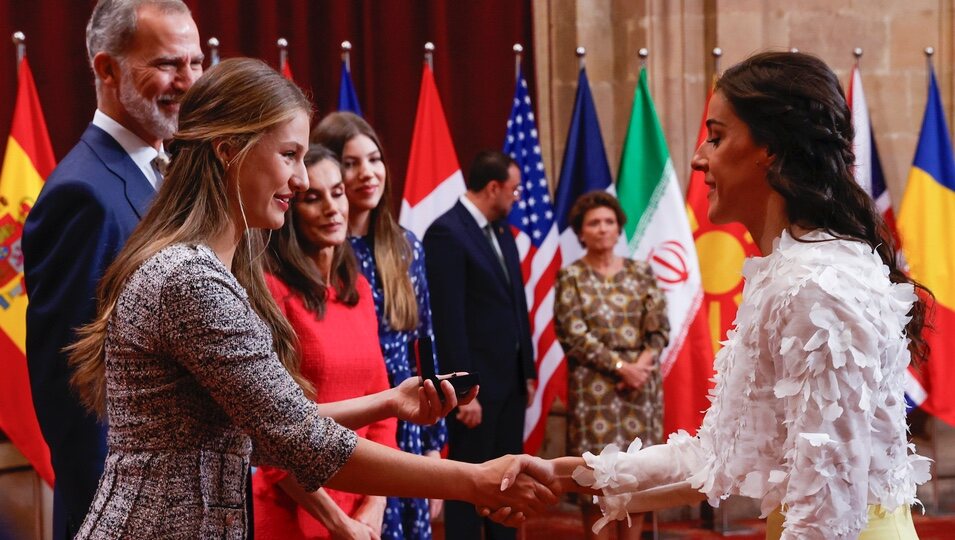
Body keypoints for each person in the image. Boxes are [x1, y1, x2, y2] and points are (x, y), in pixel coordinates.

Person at [65, 57, 556, 539]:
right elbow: (301, 441)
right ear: (226, 150)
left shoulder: (201, 271)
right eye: (289, 155)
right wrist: (477, 480)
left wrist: (388, 401)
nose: (301, 181)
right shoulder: (190, 279)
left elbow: (265, 427)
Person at [542, 51, 933, 540]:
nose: (698, 157)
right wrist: (568, 473)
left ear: (768, 148)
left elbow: (828, 511)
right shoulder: (787, 273)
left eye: (717, 136)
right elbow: (720, 453)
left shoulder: (817, 285)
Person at [22, 1, 202, 536]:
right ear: (106, 69)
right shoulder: (84, 194)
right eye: (169, 64)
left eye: (196, 63)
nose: (189, 82)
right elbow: (74, 392)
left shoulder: (169, 172)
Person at [313, 111, 447, 540]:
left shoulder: (405, 244)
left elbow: (423, 338)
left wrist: (433, 446)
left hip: (407, 416)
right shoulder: (323, 250)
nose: (367, 173)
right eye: (351, 163)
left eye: (374, 159)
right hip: (351, 413)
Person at [253, 145, 396, 539]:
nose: (332, 208)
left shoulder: (361, 291)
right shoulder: (271, 292)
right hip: (295, 513)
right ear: (290, 209)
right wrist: (338, 522)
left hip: (362, 509)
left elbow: (382, 405)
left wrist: (375, 504)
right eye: (313, 198)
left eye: (338, 192)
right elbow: (269, 430)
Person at [424, 150, 537, 540]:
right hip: (476, 390)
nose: (516, 198)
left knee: (507, 479)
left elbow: (516, 303)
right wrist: (463, 391)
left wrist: (529, 370)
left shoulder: (501, 231)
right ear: (493, 188)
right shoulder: (446, 232)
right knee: (469, 483)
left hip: (510, 383)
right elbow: (448, 318)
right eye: (514, 190)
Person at [554, 190, 669, 540]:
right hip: (595, 390)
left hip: (641, 390)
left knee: (638, 478)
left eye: (609, 222)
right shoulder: (571, 276)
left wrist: (641, 367)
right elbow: (573, 334)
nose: (602, 229)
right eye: (594, 223)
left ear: (619, 229)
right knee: (598, 479)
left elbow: (659, 328)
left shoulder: (641, 272)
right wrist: (621, 367)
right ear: (581, 232)